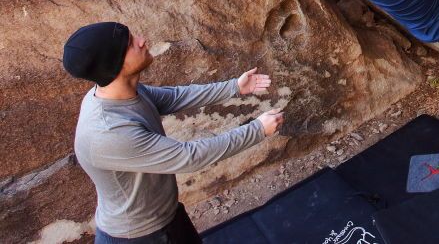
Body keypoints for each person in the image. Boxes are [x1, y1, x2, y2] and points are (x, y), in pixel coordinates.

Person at [62, 21, 284, 243]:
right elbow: (190, 157)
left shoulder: (123, 92)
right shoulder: (109, 132)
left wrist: (235, 87)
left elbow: (175, 97)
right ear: (113, 65)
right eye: (130, 43)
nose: (142, 40)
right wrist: (257, 130)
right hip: (140, 235)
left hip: (166, 216)